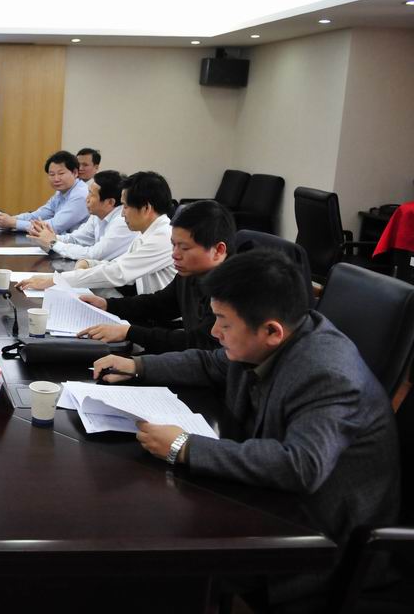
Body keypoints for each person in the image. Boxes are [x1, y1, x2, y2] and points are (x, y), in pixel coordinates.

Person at [93, 249, 399, 607]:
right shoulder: (272, 339)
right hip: (270, 500)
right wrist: (137, 366)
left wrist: (184, 446)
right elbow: (210, 364)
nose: (214, 331)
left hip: (320, 540)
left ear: (271, 331)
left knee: (152, 555)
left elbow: (299, 465)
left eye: (223, 322)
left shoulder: (328, 375)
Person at [78, 200, 235, 353]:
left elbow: (201, 344)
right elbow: (159, 304)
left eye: (185, 248)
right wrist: (107, 305)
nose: (175, 254)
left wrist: (129, 332)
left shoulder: (232, 289)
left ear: (219, 250)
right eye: (173, 245)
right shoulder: (191, 272)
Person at [18, 171, 175, 296]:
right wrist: (89, 263)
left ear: (146, 208)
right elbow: (117, 264)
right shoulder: (147, 233)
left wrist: (54, 280)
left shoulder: (162, 238)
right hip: (147, 309)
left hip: (162, 320)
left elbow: (118, 272)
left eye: (126, 207)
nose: (122, 213)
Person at [27, 170, 135, 262]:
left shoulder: (122, 221)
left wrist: (53, 242)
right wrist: (46, 236)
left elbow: (94, 255)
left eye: (91, 194)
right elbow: (76, 239)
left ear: (110, 202)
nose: (86, 199)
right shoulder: (97, 215)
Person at [0, 150, 89, 233]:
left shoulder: (80, 195)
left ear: (75, 173)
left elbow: (53, 227)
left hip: (77, 248)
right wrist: (10, 219)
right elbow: (38, 215)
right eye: (52, 174)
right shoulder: (61, 191)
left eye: (61, 173)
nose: (56, 179)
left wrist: (13, 223)